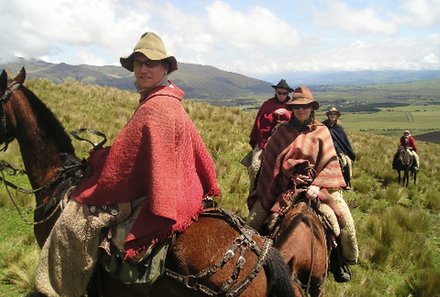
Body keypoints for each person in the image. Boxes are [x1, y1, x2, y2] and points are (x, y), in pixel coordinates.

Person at [35, 32, 221, 296]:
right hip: (180, 189)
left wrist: (100, 161)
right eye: (138, 63)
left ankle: (58, 290)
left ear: (165, 67)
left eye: (151, 63)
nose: (143, 70)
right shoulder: (167, 99)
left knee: (72, 223)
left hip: (157, 195)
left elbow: (122, 171)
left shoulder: (155, 107)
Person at [247, 86, 358, 283]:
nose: (301, 110)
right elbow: (270, 163)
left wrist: (317, 184)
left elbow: (330, 162)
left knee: (341, 221)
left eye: (305, 106)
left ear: (311, 108)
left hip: (318, 188)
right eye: (297, 107)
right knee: (254, 220)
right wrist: (288, 179)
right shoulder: (281, 132)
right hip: (283, 186)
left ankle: (341, 261)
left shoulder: (322, 132)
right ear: (293, 108)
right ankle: (252, 260)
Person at [246, 79, 293, 193]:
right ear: (276, 92)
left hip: (286, 142)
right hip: (264, 142)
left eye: (284, 93)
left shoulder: (292, 106)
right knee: (254, 167)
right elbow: (259, 123)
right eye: (279, 93)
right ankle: (253, 192)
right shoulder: (267, 105)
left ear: (288, 94)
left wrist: (286, 114)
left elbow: (297, 122)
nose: (282, 95)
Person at [322, 107, 356, 189]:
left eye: (335, 114)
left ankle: (346, 182)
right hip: (327, 147)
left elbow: (343, 141)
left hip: (339, 149)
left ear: (337, 116)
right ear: (328, 115)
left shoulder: (339, 128)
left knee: (346, 162)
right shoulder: (323, 125)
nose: (333, 115)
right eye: (331, 114)